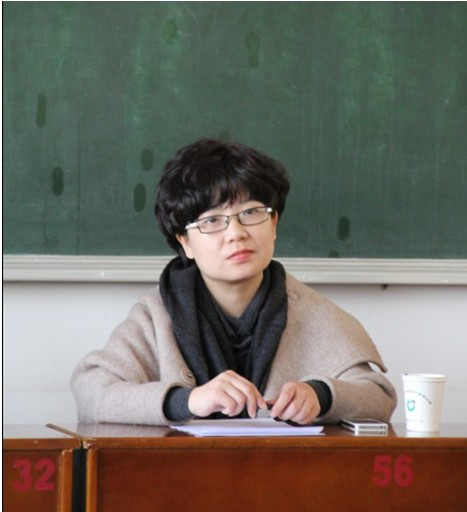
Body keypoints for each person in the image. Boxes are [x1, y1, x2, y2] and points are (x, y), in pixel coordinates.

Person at [71, 139, 397, 426]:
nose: (236, 233)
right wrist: (187, 400)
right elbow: (91, 393)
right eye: (212, 220)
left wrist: (321, 396)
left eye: (251, 213)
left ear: (273, 223)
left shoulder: (312, 311)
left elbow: (378, 397)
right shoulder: (156, 315)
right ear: (184, 241)